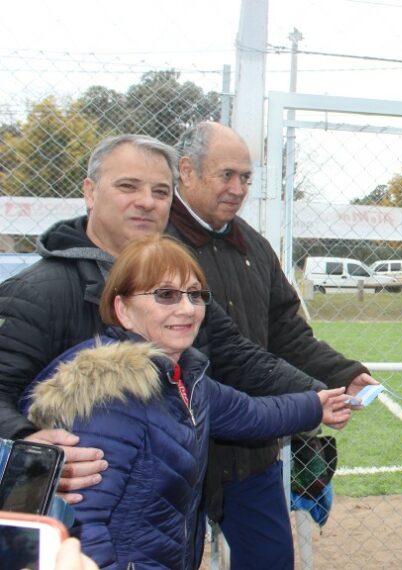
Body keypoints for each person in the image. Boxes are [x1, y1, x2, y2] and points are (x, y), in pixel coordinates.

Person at [0, 134, 330, 505]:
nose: (146, 202)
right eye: (128, 186)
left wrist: (320, 393)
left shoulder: (174, 282)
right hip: (75, 524)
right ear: (90, 192)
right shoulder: (39, 292)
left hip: (161, 516)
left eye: (160, 192)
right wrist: (30, 446)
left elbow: (235, 355)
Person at [23, 234, 351, 569]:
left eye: (196, 295)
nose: (187, 308)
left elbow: (252, 414)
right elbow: (81, 527)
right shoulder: (108, 397)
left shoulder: (181, 379)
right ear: (123, 309)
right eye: (165, 295)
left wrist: (316, 405)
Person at [170, 121, 376, 568]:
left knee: (270, 560)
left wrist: (343, 374)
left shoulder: (253, 246)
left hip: (253, 444)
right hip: (178, 445)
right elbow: (224, 352)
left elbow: (286, 330)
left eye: (246, 177)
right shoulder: (158, 247)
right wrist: (310, 396)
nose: (238, 187)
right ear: (186, 170)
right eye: (226, 174)